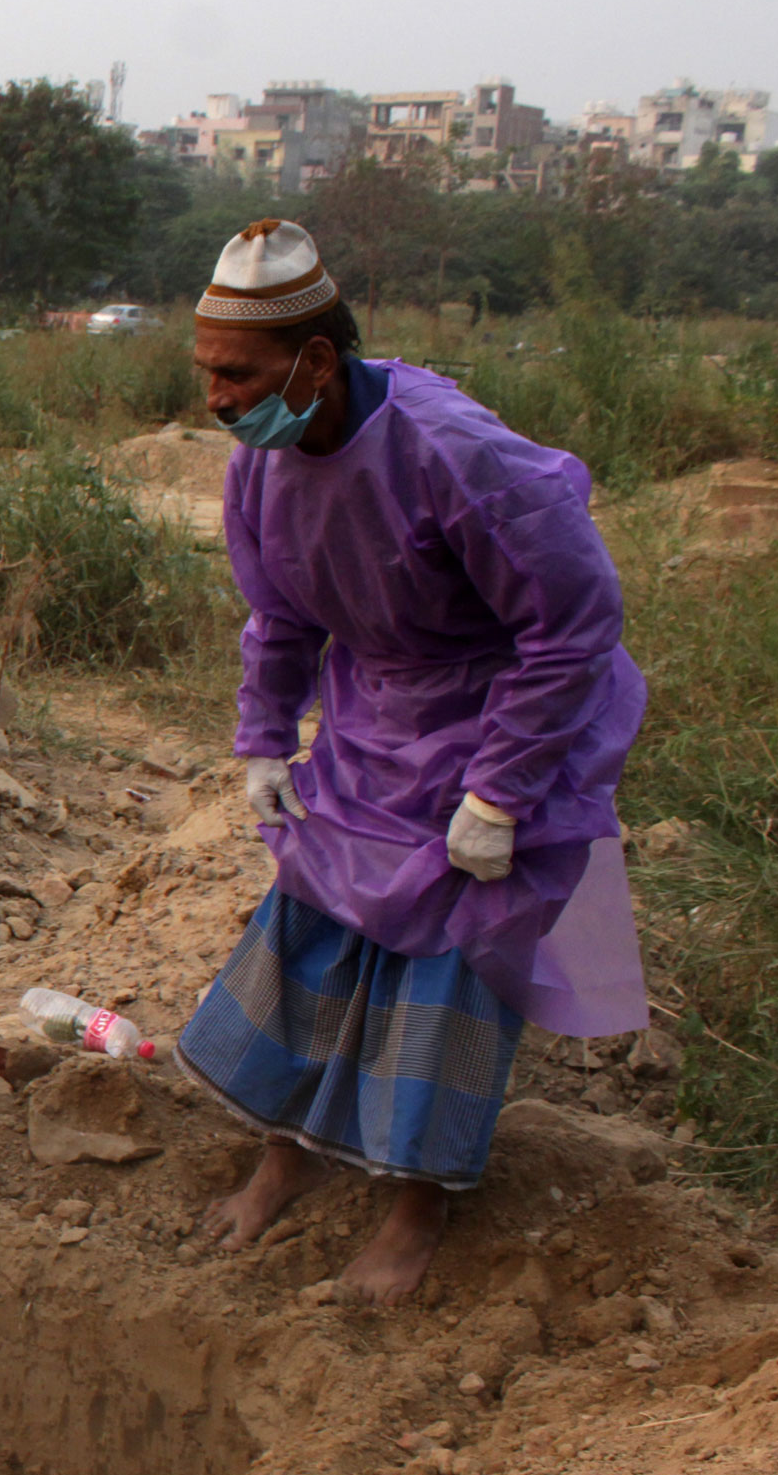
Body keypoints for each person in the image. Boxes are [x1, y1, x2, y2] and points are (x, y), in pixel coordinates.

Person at [176, 219, 648, 1302]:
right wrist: (263, 733)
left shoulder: (458, 452)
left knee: (453, 955)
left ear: (316, 361)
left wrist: (502, 789)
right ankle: (286, 1151)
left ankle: (412, 1211)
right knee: (316, 922)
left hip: (502, 716)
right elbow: (277, 612)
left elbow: (574, 624)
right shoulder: (262, 459)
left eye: (235, 374)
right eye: (204, 370)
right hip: (373, 719)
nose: (215, 396)